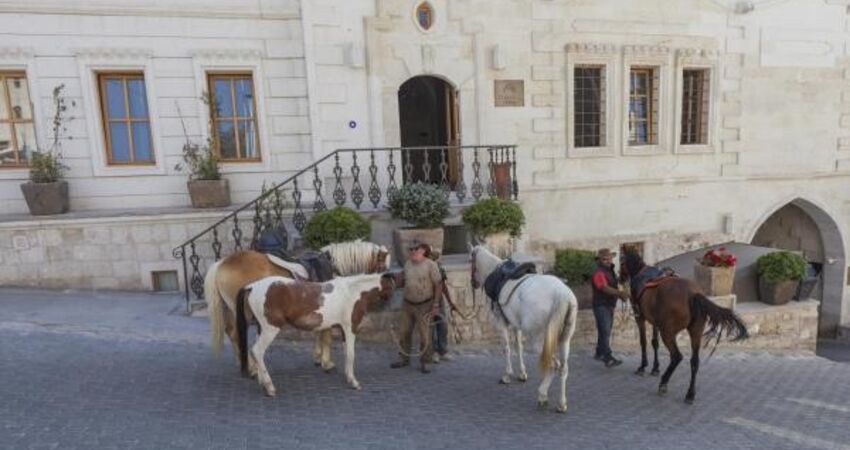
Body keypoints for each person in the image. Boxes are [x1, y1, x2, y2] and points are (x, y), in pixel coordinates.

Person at [390, 241, 443, 374]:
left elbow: (438, 284)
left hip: (425, 304)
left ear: (423, 250)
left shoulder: (430, 265)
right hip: (408, 304)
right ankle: (404, 359)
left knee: (425, 335)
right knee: (404, 332)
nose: (413, 251)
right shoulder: (408, 264)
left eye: (416, 249)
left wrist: (436, 305)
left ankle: (426, 361)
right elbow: (401, 281)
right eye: (411, 249)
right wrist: (395, 280)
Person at [591, 248, 629, 367]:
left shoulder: (610, 271)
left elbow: (614, 285)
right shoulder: (598, 272)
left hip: (609, 305)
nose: (608, 261)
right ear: (599, 260)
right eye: (604, 259)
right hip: (601, 305)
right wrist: (620, 294)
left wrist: (621, 292)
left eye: (609, 258)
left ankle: (599, 353)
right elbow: (604, 288)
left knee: (604, 331)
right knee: (605, 331)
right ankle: (608, 358)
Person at [427, 246, 452, 363]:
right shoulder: (423, 268)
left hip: (439, 300)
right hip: (427, 300)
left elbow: (443, 286)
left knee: (443, 325)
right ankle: (433, 352)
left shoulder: (439, 267)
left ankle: (443, 350)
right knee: (430, 327)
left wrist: (450, 301)